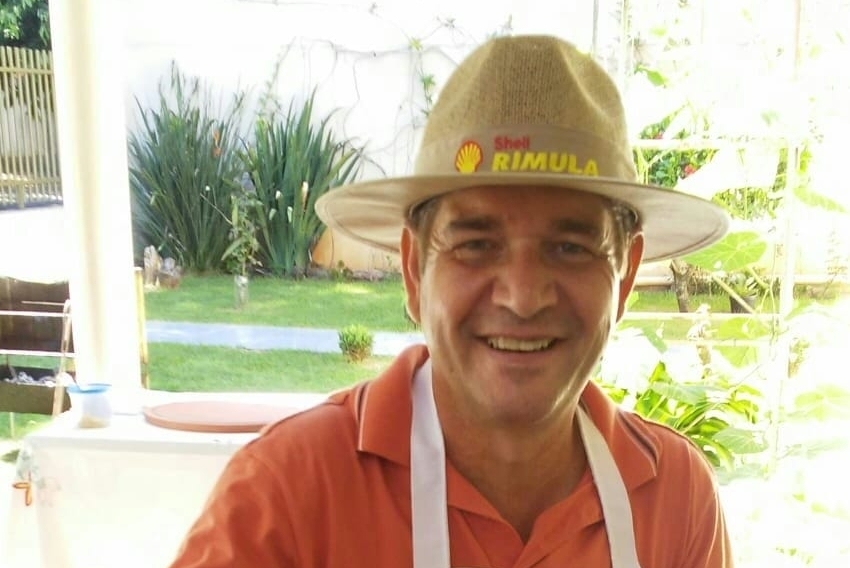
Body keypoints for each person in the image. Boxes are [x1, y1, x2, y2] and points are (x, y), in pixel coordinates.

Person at [168, 34, 733, 568]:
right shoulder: (288, 494)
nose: (523, 296)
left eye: (571, 247)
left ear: (625, 277)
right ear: (415, 270)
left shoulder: (675, 498)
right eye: (476, 245)